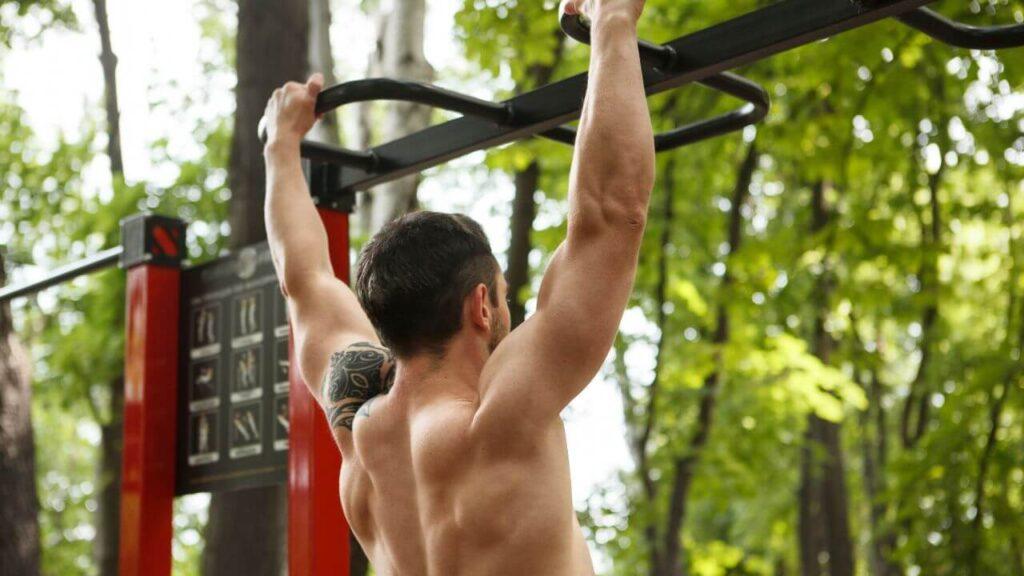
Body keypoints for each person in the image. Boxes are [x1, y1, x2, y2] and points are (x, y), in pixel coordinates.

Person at [261, 0, 654, 572]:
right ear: (480, 306)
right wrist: (613, 19)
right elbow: (613, 213)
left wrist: (279, 149)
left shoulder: (359, 424)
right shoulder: (503, 419)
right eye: (503, 295)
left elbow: (305, 280)